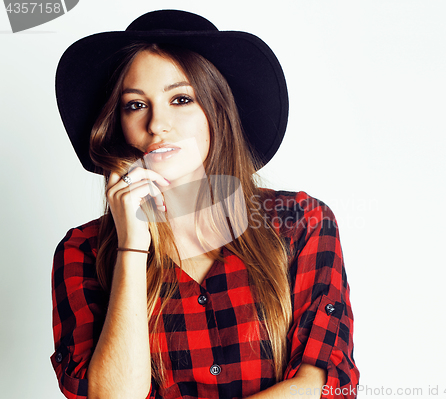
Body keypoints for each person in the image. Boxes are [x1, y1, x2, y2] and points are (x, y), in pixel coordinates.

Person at [51, 9, 359, 399]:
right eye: (135, 105)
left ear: (217, 110)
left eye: (180, 99)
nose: (157, 124)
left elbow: (320, 385)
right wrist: (131, 246)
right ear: (118, 125)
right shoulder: (83, 251)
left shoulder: (301, 222)